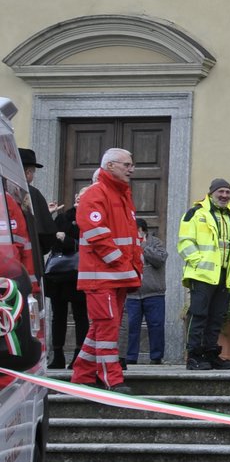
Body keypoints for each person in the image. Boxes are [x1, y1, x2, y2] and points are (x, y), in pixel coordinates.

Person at [71, 148, 142, 392]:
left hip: (117, 275)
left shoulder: (121, 195)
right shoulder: (96, 193)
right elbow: (95, 233)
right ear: (110, 166)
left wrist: (130, 268)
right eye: (127, 164)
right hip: (102, 276)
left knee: (101, 327)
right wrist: (122, 264)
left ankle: (82, 375)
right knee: (107, 327)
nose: (131, 169)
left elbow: (129, 238)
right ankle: (112, 378)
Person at [177, 177, 230, 371]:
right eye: (220, 192)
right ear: (211, 193)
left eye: (227, 192)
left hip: (223, 274)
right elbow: (185, 242)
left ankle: (211, 353)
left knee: (216, 317)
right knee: (199, 315)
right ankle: (194, 356)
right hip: (201, 274)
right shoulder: (195, 213)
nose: (224, 195)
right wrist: (198, 261)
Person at [45, 190, 88, 370]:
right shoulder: (63, 217)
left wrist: (67, 240)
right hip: (58, 275)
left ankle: (79, 354)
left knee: (80, 315)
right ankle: (58, 354)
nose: (79, 196)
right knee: (58, 315)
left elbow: (85, 242)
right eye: (78, 194)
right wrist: (50, 215)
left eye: (85, 194)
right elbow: (50, 240)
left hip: (79, 272)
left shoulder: (90, 218)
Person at [124, 219, 167, 364]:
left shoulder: (156, 242)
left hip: (154, 293)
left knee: (156, 326)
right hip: (132, 294)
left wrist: (143, 246)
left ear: (143, 230)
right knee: (131, 327)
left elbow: (160, 259)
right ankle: (130, 357)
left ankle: (156, 357)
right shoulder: (126, 243)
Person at [19, 150, 52, 289]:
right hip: (29, 259)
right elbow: (47, 232)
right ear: (27, 172)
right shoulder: (32, 194)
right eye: (32, 172)